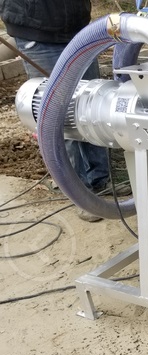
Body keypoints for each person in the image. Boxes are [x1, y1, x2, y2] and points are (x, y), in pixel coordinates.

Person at [0, 0, 115, 222]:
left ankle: (100, 180)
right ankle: (79, 195)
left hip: (78, 29)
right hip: (37, 29)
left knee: (92, 106)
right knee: (59, 117)